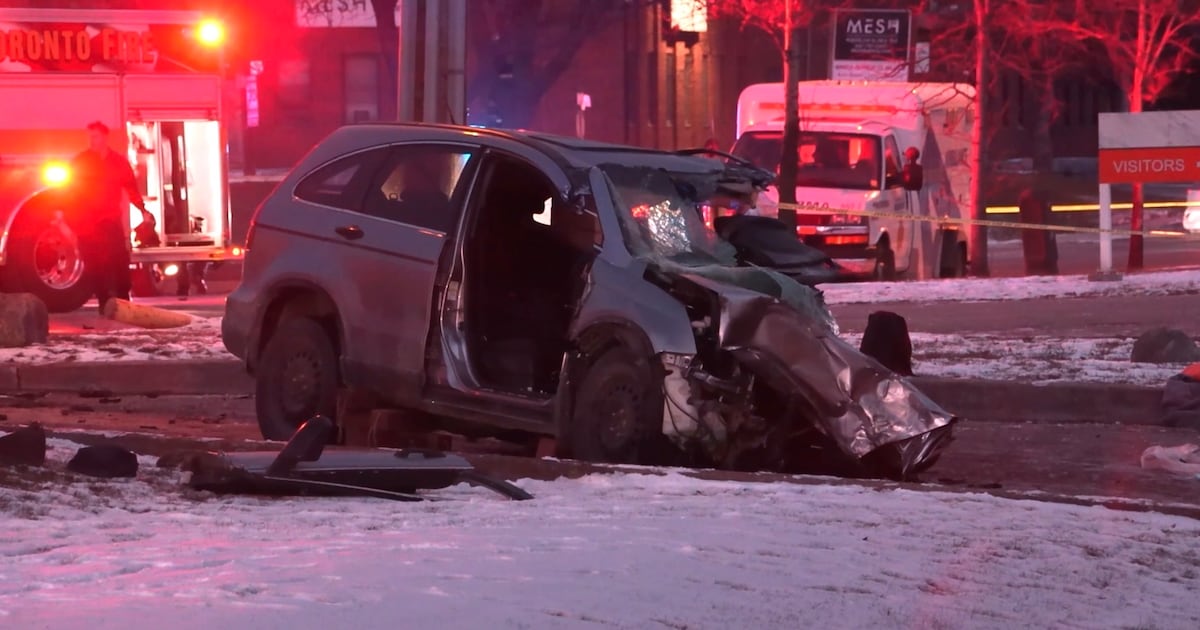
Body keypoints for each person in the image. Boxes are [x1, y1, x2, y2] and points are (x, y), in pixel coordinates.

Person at [71, 121, 154, 310]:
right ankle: (104, 302)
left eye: (95, 136)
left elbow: (130, 187)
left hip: (110, 219)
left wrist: (142, 210)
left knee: (118, 260)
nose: (92, 141)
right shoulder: (81, 162)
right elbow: (70, 191)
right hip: (89, 222)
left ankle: (123, 298)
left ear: (104, 137)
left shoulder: (117, 162)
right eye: (90, 137)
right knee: (95, 264)